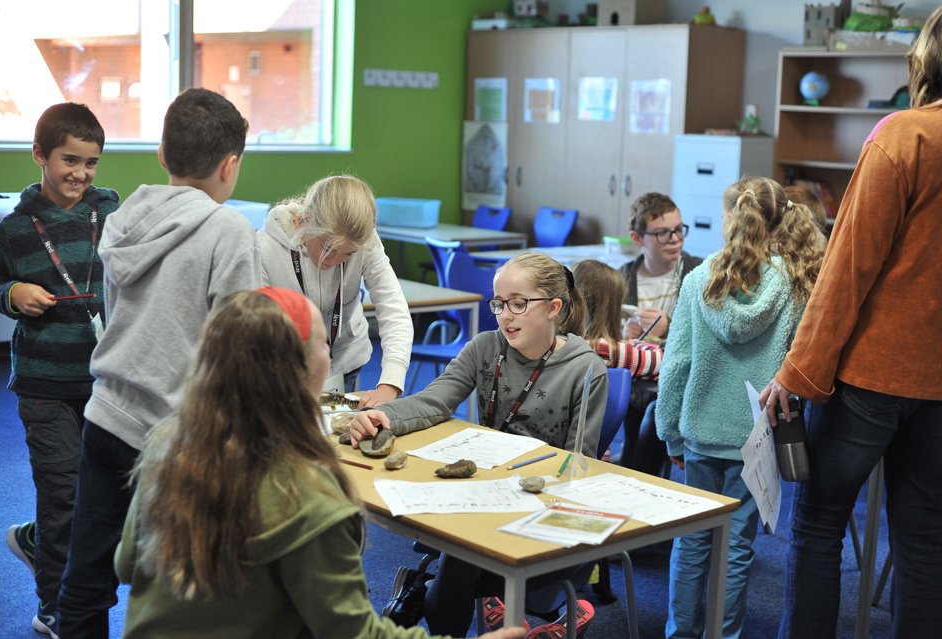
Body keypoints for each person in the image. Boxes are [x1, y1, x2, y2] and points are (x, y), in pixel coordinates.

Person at [114, 287, 526, 639]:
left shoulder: (169, 443)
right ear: (297, 369)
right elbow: (352, 633)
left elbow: (127, 566)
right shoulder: (306, 492)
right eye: (323, 345)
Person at [761, 10, 942, 637]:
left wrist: (797, 371)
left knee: (816, 529)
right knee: (925, 547)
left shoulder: (904, 136)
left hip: (869, 379)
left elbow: (847, 271)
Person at [56, 88, 262, 639]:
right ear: (230, 164)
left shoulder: (124, 217)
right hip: (176, 438)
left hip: (105, 417)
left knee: (85, 583)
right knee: (181, 595)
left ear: (163, 156)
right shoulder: (230, 230)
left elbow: (117, 313)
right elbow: (237, 349)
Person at [350, 253, 607, 638]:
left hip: (537, 508)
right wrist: (383, 416)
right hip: (484, 495)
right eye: (499, 304)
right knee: (459, 548)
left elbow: (575, 466)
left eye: (519, 303)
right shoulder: (486, 348)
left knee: (459, 559)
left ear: (554, 308)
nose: (506, 315)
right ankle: (445, 610)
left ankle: (433, 604)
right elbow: (434, 400)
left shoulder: (585, 370)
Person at [655, 176, 825, 639]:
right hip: (756, 436)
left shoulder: (697, 280)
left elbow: (677, 366)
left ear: (731, 217)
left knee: (691, 545)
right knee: (736, 550)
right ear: (778, 220)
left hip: (700, 434)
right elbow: (798, 363)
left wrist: (669, 431)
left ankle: (680, 633)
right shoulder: (794, 283)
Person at [0, 102, 119, 639]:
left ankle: (40, 539)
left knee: (101, 495)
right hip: (44, 385)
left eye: (91, 163)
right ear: (40, 155)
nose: (81, 174)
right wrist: (12, 293)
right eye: (70, 160)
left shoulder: (111, 217)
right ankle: (54, 607)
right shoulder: (17, 229)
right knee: (62, 492)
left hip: (106, 384)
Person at [258, 175, 412, 405]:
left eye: (347, 254)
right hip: (282, 370)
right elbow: (253, 330)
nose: (334, 260)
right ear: (304, 221)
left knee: (339, 436)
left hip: (344, 362)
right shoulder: (263, 249)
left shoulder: (365, 241)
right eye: (327, 248)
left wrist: (390, 384)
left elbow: (394, 310)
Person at [618, 193, 703, 475]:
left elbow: (706, 336)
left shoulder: (699, 272)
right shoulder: (624, 278)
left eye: (679, 230)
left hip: (676, 384)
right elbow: (605, 335)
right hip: (632, 384)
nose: (675, 239)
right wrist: (624, 333)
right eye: (663, 233)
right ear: (637, 238)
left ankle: (636, 481)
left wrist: (669, 328)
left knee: (651, 420)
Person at [571, 259, 662, 379]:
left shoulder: (562, 341)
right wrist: (637, 346)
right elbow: (664, 361)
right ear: (610, 310)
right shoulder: (603, 349)